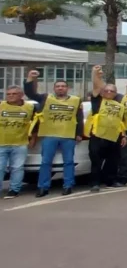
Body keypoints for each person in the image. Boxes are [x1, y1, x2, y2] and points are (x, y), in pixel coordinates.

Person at [24, 70, 84, 198]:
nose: (60, 88)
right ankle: (43, 187)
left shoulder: (76, 100)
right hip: (49, 135)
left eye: (63, 86)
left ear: (67, 88)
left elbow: (79, 117)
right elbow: (30, 93)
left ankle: (68, 186)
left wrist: (79, 133)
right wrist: (30, 79)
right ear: (54, 88)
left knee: (68, 162)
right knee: (45, 162)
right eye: (58, 86)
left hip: (68, 136)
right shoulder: (46, 98)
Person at [88, 66, 127, 192]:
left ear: (116, 93)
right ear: (103, 92)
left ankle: (111, 181)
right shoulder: (98, 100)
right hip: (98, 135)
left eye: (112, 91)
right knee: (96, 160)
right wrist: (95, 73)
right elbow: (96, 86)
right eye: (107, 91)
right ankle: (95, 183)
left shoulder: (119, 105)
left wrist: (124, 135)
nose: (109, 93)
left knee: (113, 160)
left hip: (114, 136)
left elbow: (120, 122)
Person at [0, 86, 36, 198]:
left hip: (20, 143)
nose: (10, 96)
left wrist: (33, 139)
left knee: (17, 168)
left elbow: (36, 124)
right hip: (1, 143)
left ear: (21, 95)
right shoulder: (1, 106)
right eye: (8, 94)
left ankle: (14, 190)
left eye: (14, 94)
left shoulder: (30, 107)